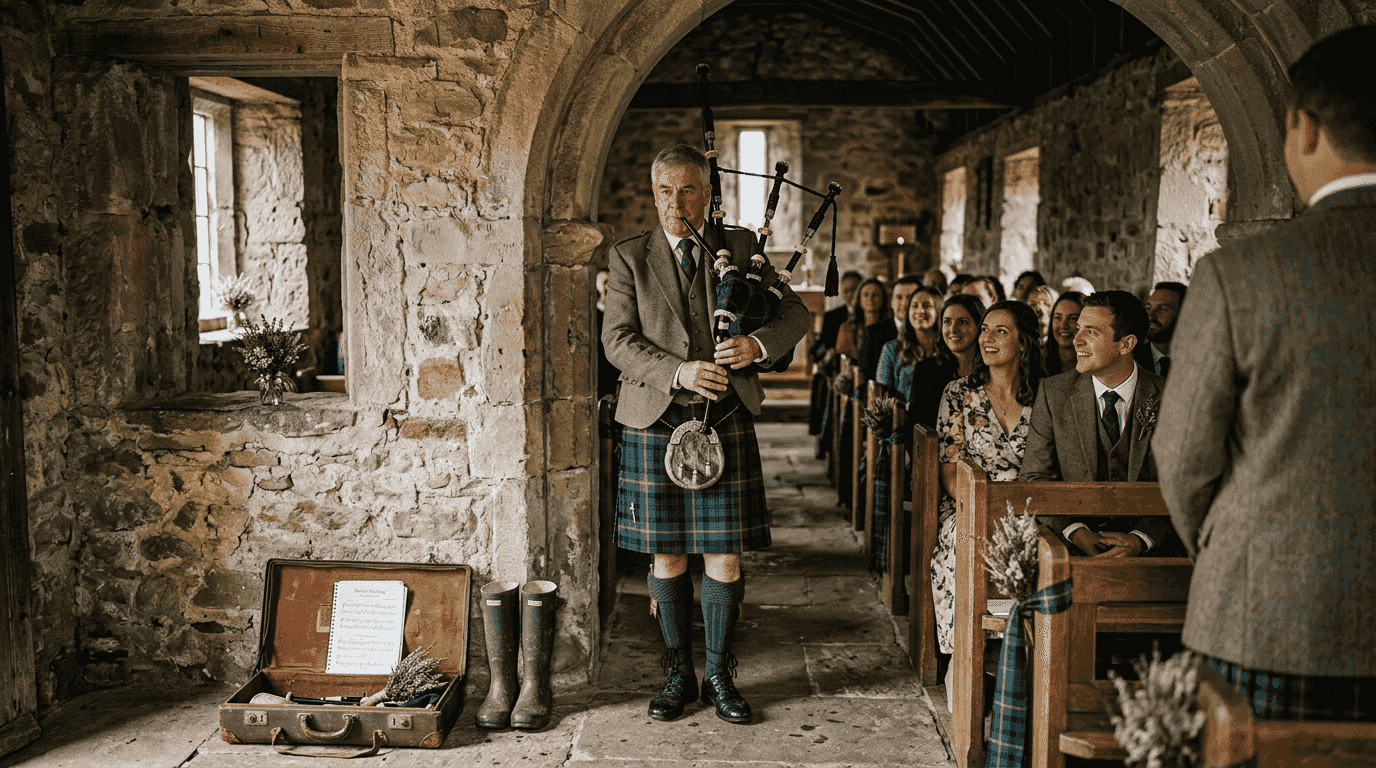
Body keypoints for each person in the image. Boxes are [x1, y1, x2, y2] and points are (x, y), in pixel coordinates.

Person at [1155, 25, 1376, 721]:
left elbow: (1183, 455)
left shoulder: (1239, 274)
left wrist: (1244, 547)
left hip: (1270, 616)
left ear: (1304, 129)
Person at [602, 143, 810, 725]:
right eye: (665, 191)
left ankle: (719, 673)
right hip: (655, 415)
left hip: (724, 415)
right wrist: (677, 369)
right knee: (666, 555)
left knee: (724, 553)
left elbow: (795, 315)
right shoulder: (630, 257)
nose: (676, 203)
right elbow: (616, 340)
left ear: (706, 193)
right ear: (653, 193)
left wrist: (757, 346)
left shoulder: (741, 248)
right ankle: (677, 673)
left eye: (687, 190)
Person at [931, 301, 1043, 674]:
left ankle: (1026, 652)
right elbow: (950, 469)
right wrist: (982, 507)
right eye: (985, 330)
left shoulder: (1046, 396)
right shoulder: (958, 393)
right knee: (964, 539)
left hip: (1031, 507)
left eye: (1001, 331)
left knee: (1043, 547)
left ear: (1023, 342)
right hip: (971, 502)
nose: (987, 338)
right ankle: (967, 657)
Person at [1019, 291, 1175, 557]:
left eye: (1090, 331)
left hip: (1155, 552)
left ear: (1126, 344)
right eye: (1079, 328)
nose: (1075, 338)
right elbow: (1035, 479)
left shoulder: (1170, 395)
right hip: (1072, 552)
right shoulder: (1053, 394)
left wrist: (1141, 539)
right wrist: (1077, 533)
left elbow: (1184, 483)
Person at [906, 293, 985, 429]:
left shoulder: (992, 369)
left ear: (979, 326)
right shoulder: (925, 370)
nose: (953, 330)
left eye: (963, 322)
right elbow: (915, 428)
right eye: (947, 322)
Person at [809, 270, 862, 442]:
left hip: (861, 367)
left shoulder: (871, 313)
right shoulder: (833, 316)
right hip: (836, 368)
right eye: (846, 290)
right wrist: (827, 353)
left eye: (855, 289)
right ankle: (826, 437)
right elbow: (820, 346)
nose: (851, 294)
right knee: (822, 382)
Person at [876, 285, 942, 400]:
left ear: (938, 311)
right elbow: (881, 397)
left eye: (927, 306)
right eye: (914, 306)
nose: (920, 311)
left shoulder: (948, 349)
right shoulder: (891, 349)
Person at [835, 277, 894, 380]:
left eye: (875, 295)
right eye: (866, 295)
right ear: (859, 299)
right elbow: (841, 362)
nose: (870, 298)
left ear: (883, 299)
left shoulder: (891, 327)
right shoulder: (847, 328)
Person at [1141, 281, 1185, 377]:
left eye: (1162, 309)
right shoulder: (1129, 362)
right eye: (1148, 308)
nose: (1150, 315)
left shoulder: (1199, 360)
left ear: (1183, 314)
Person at [1043, 291, 1085, 375]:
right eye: (1058, 318)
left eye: (1073, 318)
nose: (1063, 325)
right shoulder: (1037, 364)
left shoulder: (1098, 367)